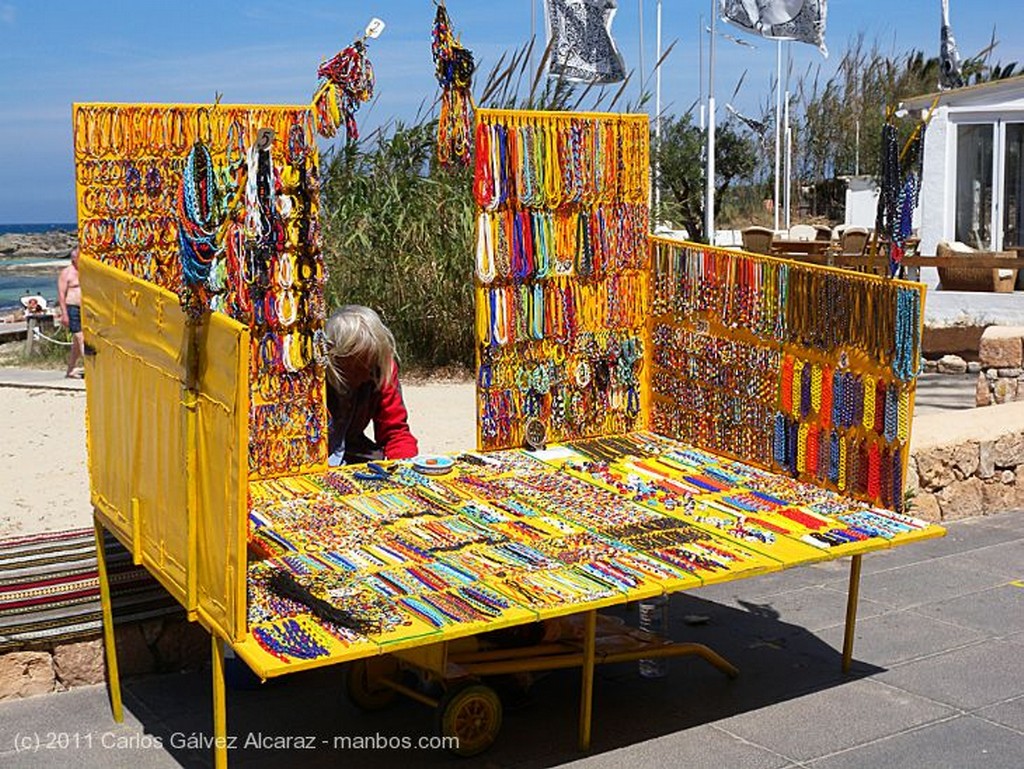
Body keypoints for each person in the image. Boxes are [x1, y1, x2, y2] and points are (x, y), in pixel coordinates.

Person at [324, 305, 418, 466]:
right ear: (335, 357)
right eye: (357, 365)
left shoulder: (381, 368)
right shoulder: (311, 376)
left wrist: (405, 468)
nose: (367, 374)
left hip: (353, 448)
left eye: (371, 364)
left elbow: (395, 432)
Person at [57, 247, 83, 378]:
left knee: (77, 344)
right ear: (73, 258)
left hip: (86, 308)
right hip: (72, 308)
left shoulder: (86, 271)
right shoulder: (66, 273)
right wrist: (64, 314)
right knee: (81, 338)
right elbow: (61, 295)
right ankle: (91, 368)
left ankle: (70, 370)